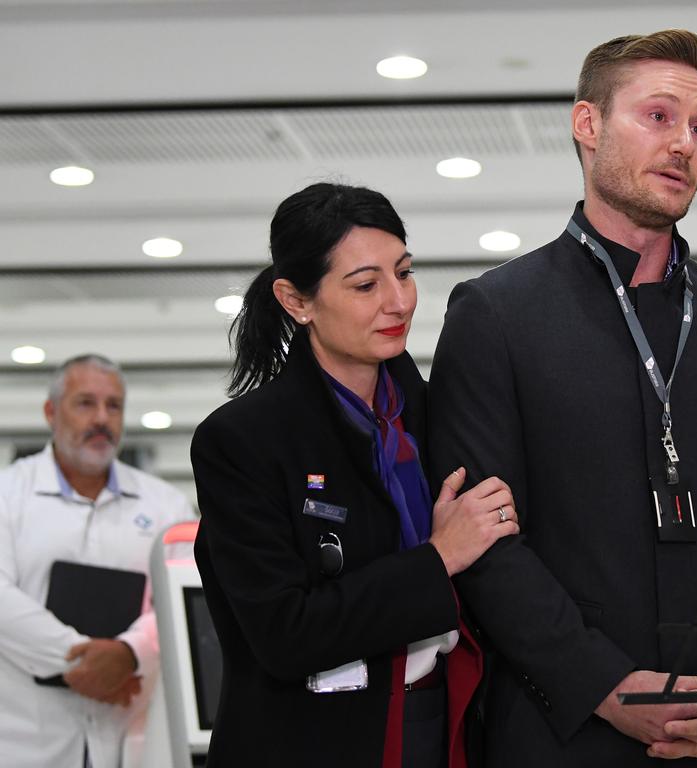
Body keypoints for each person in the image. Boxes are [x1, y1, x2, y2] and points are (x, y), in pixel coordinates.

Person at [428, 30, 697, 766]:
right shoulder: (497, 314)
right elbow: (486, 546)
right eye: (659, 117)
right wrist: (610, 687)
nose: (684, 145)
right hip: (565, 731)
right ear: (588, 125)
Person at [190, 182, 520, 768]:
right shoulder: (243, 441)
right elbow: (285, 634)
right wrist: (439, 557)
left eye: (405, 272)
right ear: (296, 300)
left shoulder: (436, 414)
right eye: (366, 285)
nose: (399, 301)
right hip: (315, 739)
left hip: (447, 720)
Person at [0, 354, 195, 768]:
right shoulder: (7, 494)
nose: (102, 418)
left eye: (114, 406)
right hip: (23, 739)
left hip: (133, 736)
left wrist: (130, 653)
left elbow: (186, 598)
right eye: (86, 403)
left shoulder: (167, 506)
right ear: (52, 412)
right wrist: (85, 660)